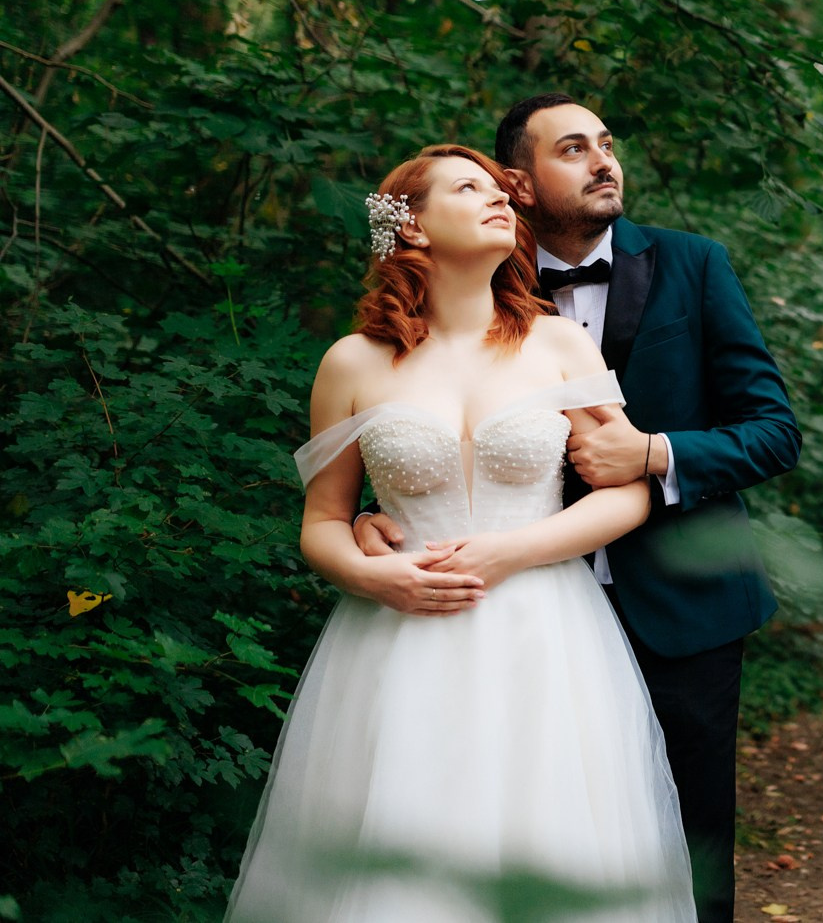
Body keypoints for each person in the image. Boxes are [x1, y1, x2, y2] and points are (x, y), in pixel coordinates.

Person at [352, 95, 801, 923]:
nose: (604, 161)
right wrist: (377, 515)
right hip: (500, 618)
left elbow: (775, 432)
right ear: (516, 183)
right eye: (573, 148)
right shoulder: (480, 275)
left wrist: (656, 453)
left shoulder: (693, 264)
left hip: (679, 604)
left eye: (606, 143)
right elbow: (421, 419)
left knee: (688, 847)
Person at [228, 145, 696, 923]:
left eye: (497, 188)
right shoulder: (352, 363)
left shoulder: (556, 343)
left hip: (546, 633)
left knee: (550, 841)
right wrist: (373, 576)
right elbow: (323, 522)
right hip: (398, 635)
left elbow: (626, 497)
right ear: (409, 230)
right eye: (468, 187)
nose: (498, 198)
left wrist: (515, 550)